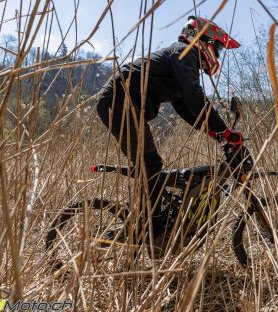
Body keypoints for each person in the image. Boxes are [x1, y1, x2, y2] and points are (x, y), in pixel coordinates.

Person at [96, 16, 243, 245]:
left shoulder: (180, 63)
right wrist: (225, 130)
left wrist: (215, 133)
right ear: (205, 41)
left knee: (151, 166)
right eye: (218, 48)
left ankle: (149, 220)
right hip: (120, 101)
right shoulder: (184, 52)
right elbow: (195, 96)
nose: (218, 54)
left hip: (120, 103)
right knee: (151, 165)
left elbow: (187, 109)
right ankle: (153, 229)